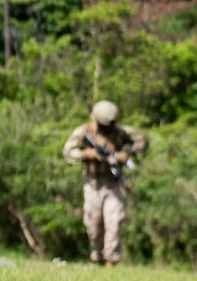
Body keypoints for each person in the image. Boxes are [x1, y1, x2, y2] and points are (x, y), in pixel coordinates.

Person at [62, 101, 146, 266]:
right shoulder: (84, 132)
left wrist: (127, 153)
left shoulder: (121, 132)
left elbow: (142, 141)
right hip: (93, 184)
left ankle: (110, 261)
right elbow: (68, 152)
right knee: (93, 226)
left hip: (114, 183)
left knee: (113, 222)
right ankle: (98, 257)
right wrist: (86, 154)